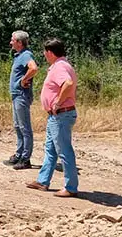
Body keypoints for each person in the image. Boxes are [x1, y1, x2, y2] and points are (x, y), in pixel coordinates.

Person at [26, 38, 79, 197]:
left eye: (44, 51)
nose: (43, 54)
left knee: (64, 151)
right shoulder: (62, 65)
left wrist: (57, 103)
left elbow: (68, 84)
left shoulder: (60, 67)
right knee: (50, 149)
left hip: (61, 114)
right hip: (57, 116)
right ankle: (43, 181)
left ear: (50, 52)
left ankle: (71, 187)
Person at [4, 30, 38, 170]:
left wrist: (24, 80)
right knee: (18, 126)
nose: (11, 42)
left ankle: (25, 158)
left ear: (19, 42)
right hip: (17, 95)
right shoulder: (19, 56)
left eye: (12, 40)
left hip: (22, 95)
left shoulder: (26, 55)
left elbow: (34, 68)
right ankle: (19, 154)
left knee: (24, 128)